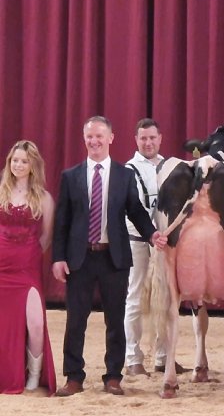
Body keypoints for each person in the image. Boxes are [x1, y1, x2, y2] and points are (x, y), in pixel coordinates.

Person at [51, 116, 166, 397]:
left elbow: (136, 211)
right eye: (90, 136)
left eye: (100, 136)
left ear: (111, 138)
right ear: (84, 139)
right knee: (75, 320)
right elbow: (62, 221)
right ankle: (74, 376)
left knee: (115, 320)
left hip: (113, 258)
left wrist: (152, 234)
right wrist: (58, 257)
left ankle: (113, 376)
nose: (95, 141)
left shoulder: (124, 175)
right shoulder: (70, 176)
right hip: (80, 258)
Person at [123, 118, 188, 377]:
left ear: (160, 138)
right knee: (136, 297)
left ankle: (163, 357)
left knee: (167, 297)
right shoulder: (129, 169)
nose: (148, 143)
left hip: (165, 243)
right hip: (138, 241)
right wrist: (152, 234)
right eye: (143, 138)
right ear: (136, 140)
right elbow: (133, 208)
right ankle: (132, 358)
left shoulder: (171, 167)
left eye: (152, 138)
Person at [0, 140, 58, 395]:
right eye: (15, 160)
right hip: (1, 266)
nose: (18, 165)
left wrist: (26, 252)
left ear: (32, 165)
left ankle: (34, 373)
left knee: (35, 322)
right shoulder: (0, 192)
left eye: (24, 161)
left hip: (27, 268)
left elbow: (46, 237)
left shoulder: (45, 198)